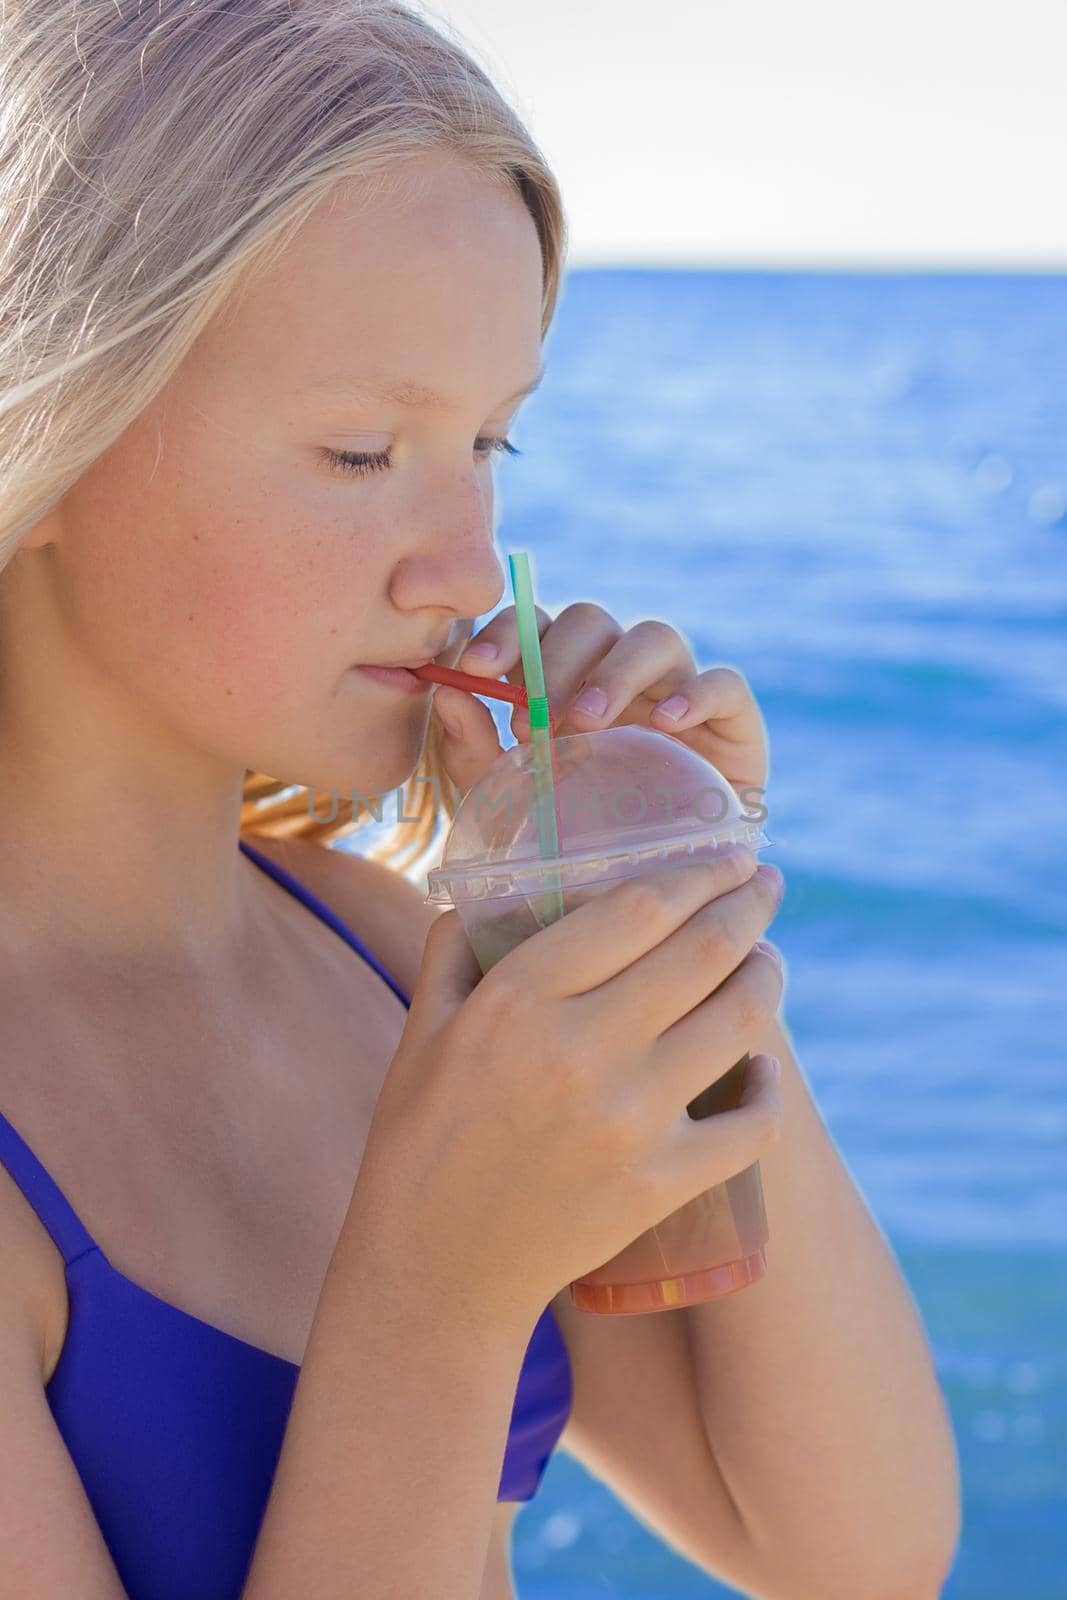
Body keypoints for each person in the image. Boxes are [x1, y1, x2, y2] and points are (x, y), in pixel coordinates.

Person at [0, 4, 961, 1598]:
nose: (461, 567)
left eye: (490, 441)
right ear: (49, 419)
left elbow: (847, 1551)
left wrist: (664, 880)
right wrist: (441, 1289)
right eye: (363, 451)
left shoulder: (390, 964)